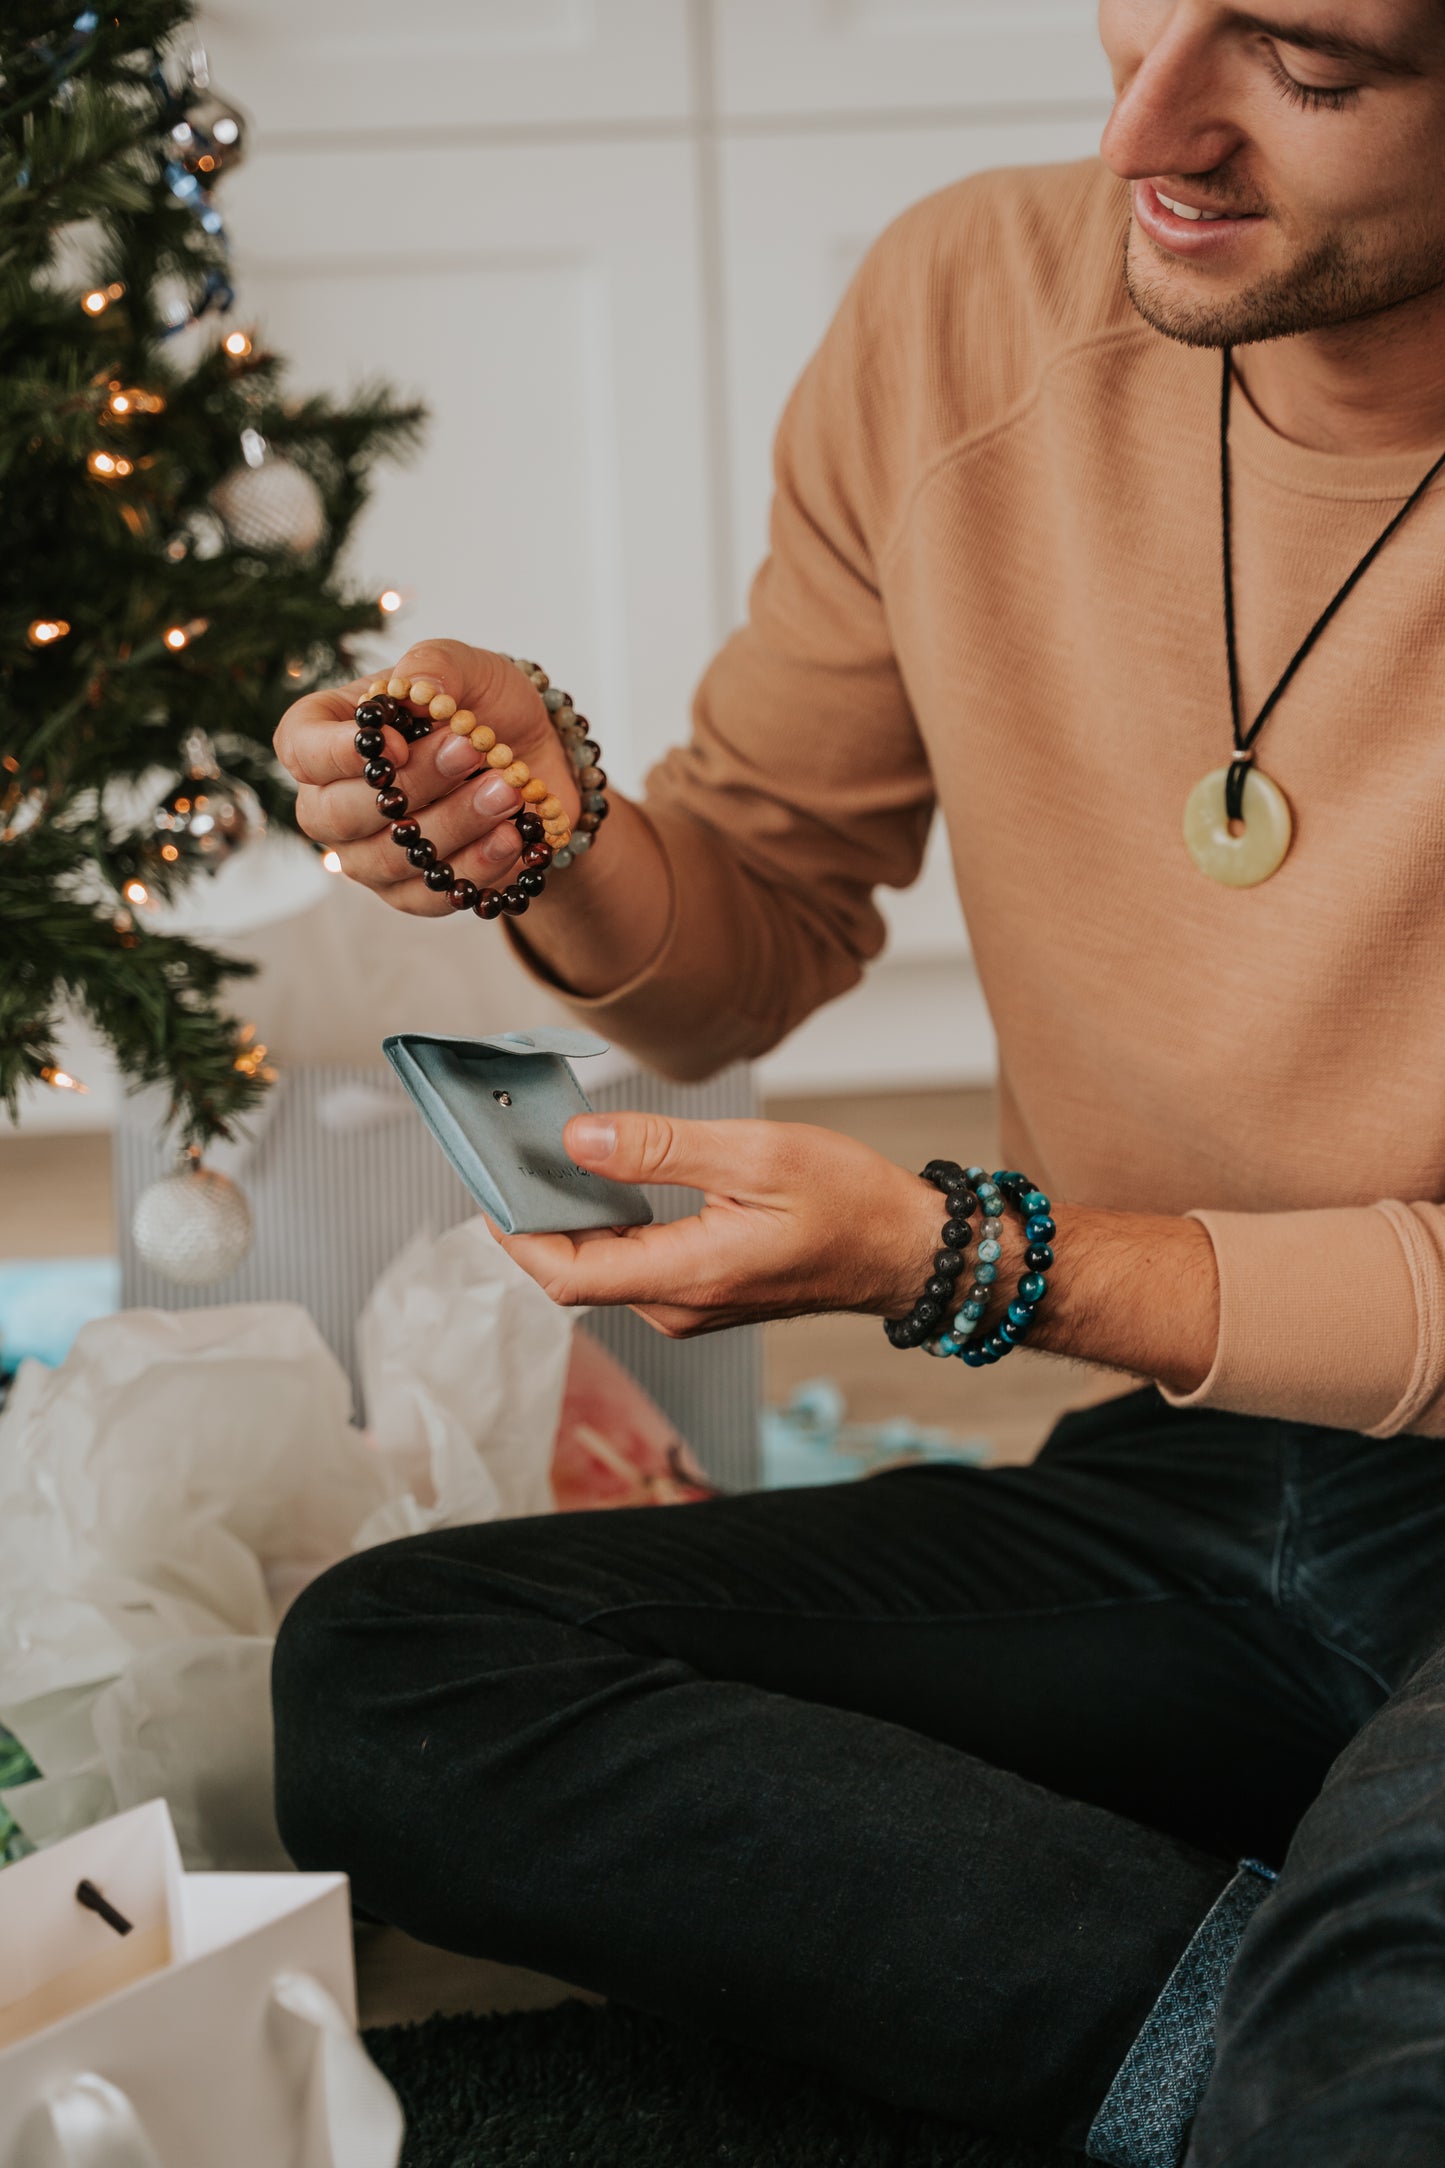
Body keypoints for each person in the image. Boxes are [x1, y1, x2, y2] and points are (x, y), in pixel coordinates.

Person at [270, 3, 1445, 2160]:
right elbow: (748, 934)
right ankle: (1267, 2069)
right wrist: (553, 827)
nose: (1144, 127)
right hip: (1183, 1477)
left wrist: (971, 1257)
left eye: (1313, 64)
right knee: (391, 1687)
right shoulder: (968, 307)